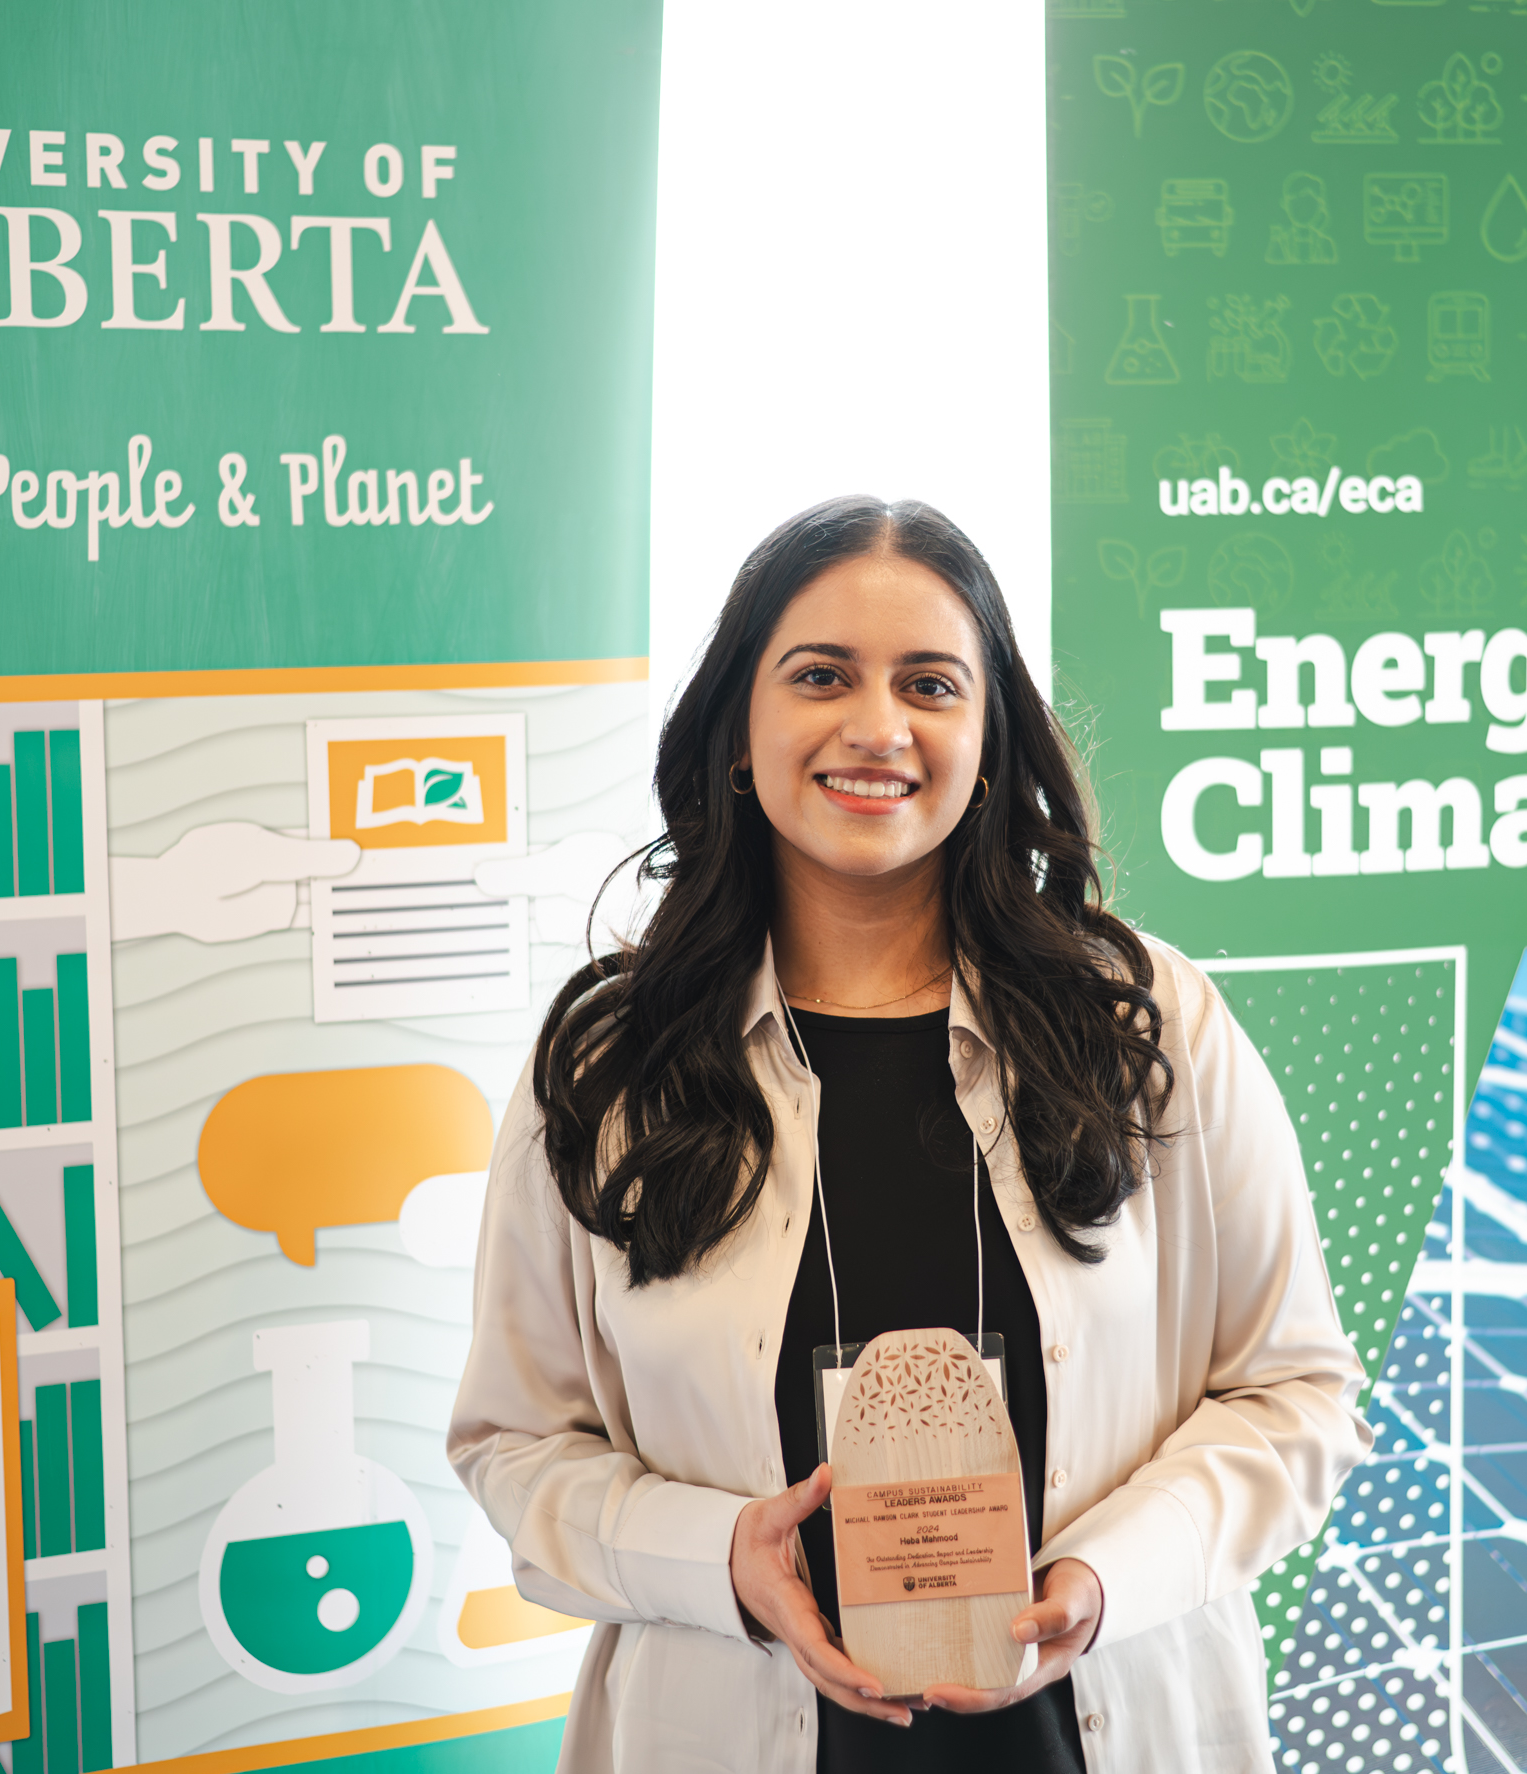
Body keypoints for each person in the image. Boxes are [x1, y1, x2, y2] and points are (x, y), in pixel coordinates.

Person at [448, 497, 1372, 1772]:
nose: (876, 727)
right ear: (737, 732)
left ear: (989, 742)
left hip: (1098, 1728)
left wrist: (1106, 1576)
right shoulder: (617, 1064)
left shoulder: (1144, 1023)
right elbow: (515, 1442)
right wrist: (718, 1557)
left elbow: (1295, 1395)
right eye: (820, 675)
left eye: (929, 683)